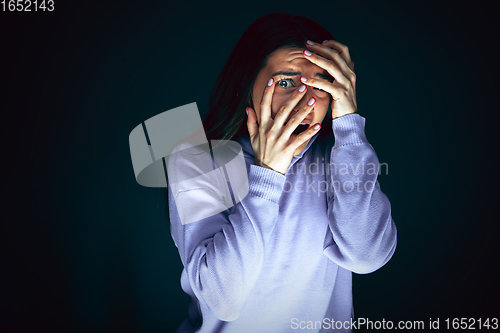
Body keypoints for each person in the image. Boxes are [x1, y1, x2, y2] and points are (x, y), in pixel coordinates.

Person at [166, 11, 397, 333]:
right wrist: (268, 174)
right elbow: (223, 299)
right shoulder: (196, 162)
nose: (305, 100)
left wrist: (350, 128)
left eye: (321, 82)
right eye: (286, 82)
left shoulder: (341, 158)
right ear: (247, 85)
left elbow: (367, 257)